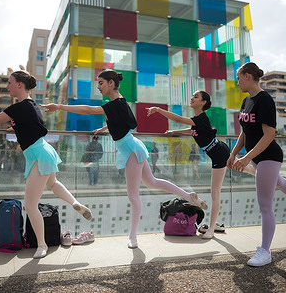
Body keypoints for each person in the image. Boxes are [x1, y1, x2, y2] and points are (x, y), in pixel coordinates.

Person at [41, 69, 208, 249]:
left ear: (111, 83)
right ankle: (188, 196)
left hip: (130, 150)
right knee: (152, 182)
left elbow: (89, 110)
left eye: (101, 83)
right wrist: (105, 128)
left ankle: (133, 236)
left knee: (133, 195)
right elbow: (122, 122)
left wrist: (59, 106)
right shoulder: (119, 102)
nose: (98, 87)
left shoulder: (115, 103)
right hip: (132, 146)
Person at [0, 70, 92, 259]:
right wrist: (16, 127)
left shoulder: (17, 108)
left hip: (38, 154)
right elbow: (32, 125)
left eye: (9, 83)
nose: (7, 86)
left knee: (30, 204)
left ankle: (41, 246)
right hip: (44, 150)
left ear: (19, 85)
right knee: (53, 183)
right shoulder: (32, 105)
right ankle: (75, 202)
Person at [227, 62, 286, 267]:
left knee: (265, 205)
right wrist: (234, 153)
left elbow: (269, 134)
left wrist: (246, 158)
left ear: (247, 76)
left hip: (268, 155)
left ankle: (265, 251)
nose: (237, 82)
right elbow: (245, 132)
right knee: (279, 182)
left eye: (238, 78)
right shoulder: (246, 101)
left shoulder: (265, 100)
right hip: (256, 156)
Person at [147, 91, 254, 239]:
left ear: (203, 102)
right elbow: (192, 131)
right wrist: (174, 132)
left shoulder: (201, 118)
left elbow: (178, 118)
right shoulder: (198, 120)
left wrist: (158, 110)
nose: (192, 98)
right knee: (243, 168)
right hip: (218, 151)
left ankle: (211, 229)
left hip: (219, 154)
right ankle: (261, 173)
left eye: (196, 97)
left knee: (215, 193)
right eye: (192, 96)